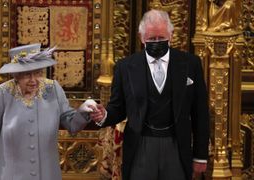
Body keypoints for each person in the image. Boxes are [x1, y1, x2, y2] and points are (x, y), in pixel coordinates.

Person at [90, 9, 209, 180]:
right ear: (141, 38)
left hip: (177, 145)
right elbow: (118, 108)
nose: (157, 42)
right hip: (141, 146)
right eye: (152, 39)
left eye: (161, 38)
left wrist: (200, 156)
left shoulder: (190, 64)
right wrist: (104, 115)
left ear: (171, 35)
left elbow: (201, 114)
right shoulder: (125, 67)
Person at [0, 44, 96, 180]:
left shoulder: (53, 89)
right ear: (16, 75)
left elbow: (72, 125)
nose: (33, 80)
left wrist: (82, 111)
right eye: (27, 74)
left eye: (37, 72)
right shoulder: (1, 94)